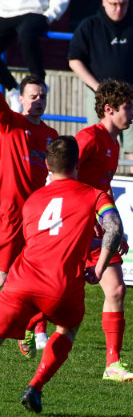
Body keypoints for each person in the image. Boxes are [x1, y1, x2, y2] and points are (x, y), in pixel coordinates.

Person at [0, 135, 123, 414]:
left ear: (47, 165)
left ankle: (29, 328)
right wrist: (100, 266)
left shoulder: (33, 200)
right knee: (68, 328)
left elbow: (46, 239)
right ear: (78, 163)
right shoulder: (95, 195)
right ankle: (35, 386)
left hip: (21, 281)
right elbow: (114, 228)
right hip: (61, 288)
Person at [75, 78, 133, 382]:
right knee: (59, 292)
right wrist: (77, 212)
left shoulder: (113, 143)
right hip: (73, 227)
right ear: (109, 109)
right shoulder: (88, 138)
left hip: (98, 229)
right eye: (128, 107)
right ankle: (31, 322)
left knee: (116, 289)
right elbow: (60, 175)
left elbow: (104, 187)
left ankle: (112, 364)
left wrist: (116, 228)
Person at [68, 0, 133, 177]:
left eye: (123, 4)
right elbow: (74, 60)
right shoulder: (89, 26)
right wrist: (98, 87)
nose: (119, 9)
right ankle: (94, 186)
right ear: (104, 2)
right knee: (97, 145)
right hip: (100, 98)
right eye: (114, 4)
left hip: (132, 98)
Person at [0, 74, 58, 356]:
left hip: (39, 218)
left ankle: (34, 329)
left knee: (40, 277)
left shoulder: (52, 136)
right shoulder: (10, 123)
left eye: (42, 96)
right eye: (33, 96)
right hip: (10, 215)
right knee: (4, 278)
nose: (38, 101)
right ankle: (26, 328)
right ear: (20, 99)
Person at [0, 0, 69, 112]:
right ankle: (13, 89)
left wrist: (49, 16)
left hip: (35, 12)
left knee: (26, 36)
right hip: (5, 14)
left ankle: (38, 82)